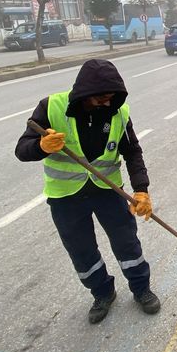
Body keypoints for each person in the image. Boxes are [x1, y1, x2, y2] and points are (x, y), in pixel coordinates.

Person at [15, 59, 160, 324]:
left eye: (111, 97)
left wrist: (142, 190)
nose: (107, 103)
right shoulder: (51, 107)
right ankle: (102, 292)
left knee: (127, 242)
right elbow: (22, 150)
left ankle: (141, 289)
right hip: (66, 197)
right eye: (101, 98)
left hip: (108, 190)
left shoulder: (118, 112)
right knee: (81, 250)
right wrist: (42, 146)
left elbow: (133, 153)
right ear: (85, 93)